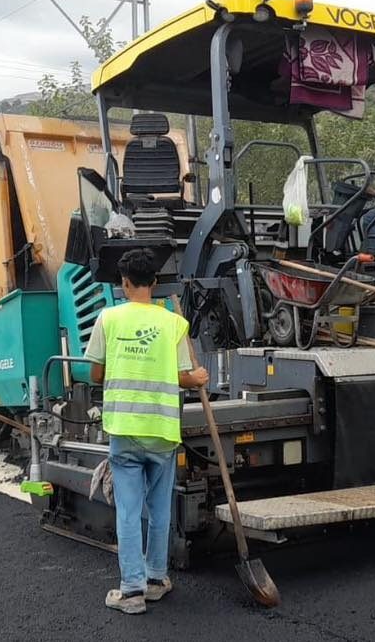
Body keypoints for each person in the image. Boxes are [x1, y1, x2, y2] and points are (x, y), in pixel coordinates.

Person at [83, 249, 209, 615]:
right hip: (162, 430)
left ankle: (132, 590)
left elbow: (95, 373)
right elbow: (185, 377)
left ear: (123, 284)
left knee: (127, 510)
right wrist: (197, 378)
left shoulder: (108, 319)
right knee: (159, 509)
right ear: (154, 282)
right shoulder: (173, 324)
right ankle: (157, 579)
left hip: (125, 429)